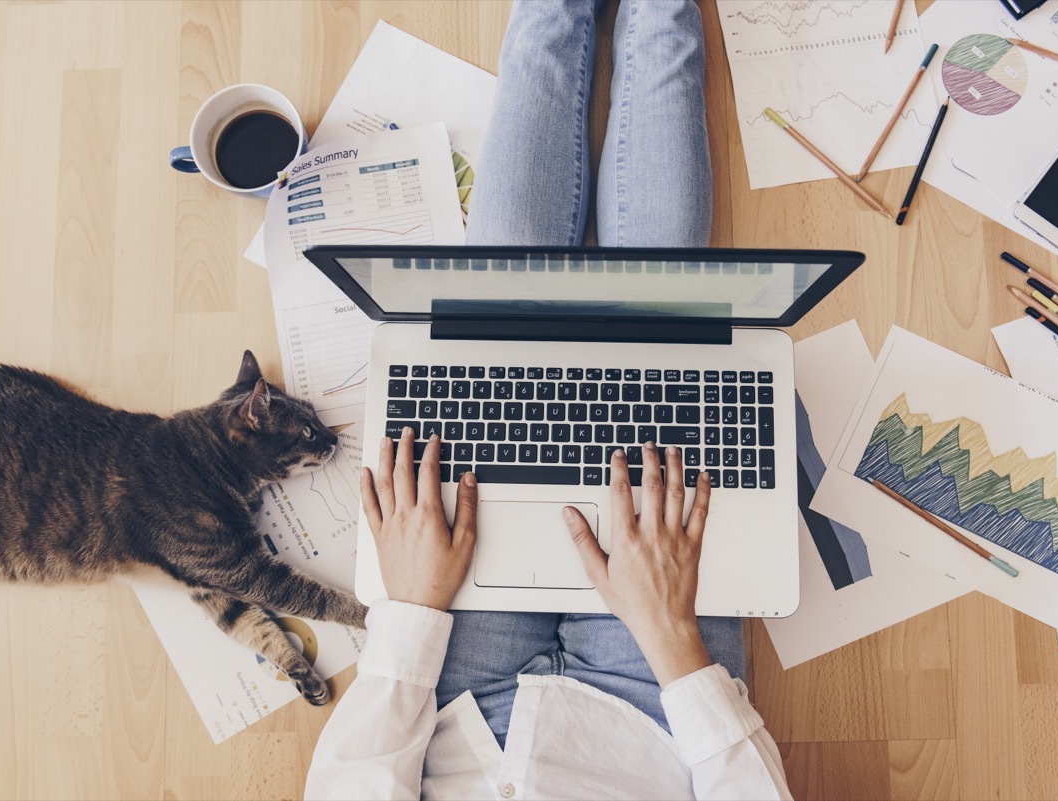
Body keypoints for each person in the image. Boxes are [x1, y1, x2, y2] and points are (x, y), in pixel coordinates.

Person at [304, 1, 793, 798]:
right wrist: (672, 634)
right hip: (655, 717)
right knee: (661, 335)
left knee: (501, 329)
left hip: (452, 707)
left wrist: (410, 617)